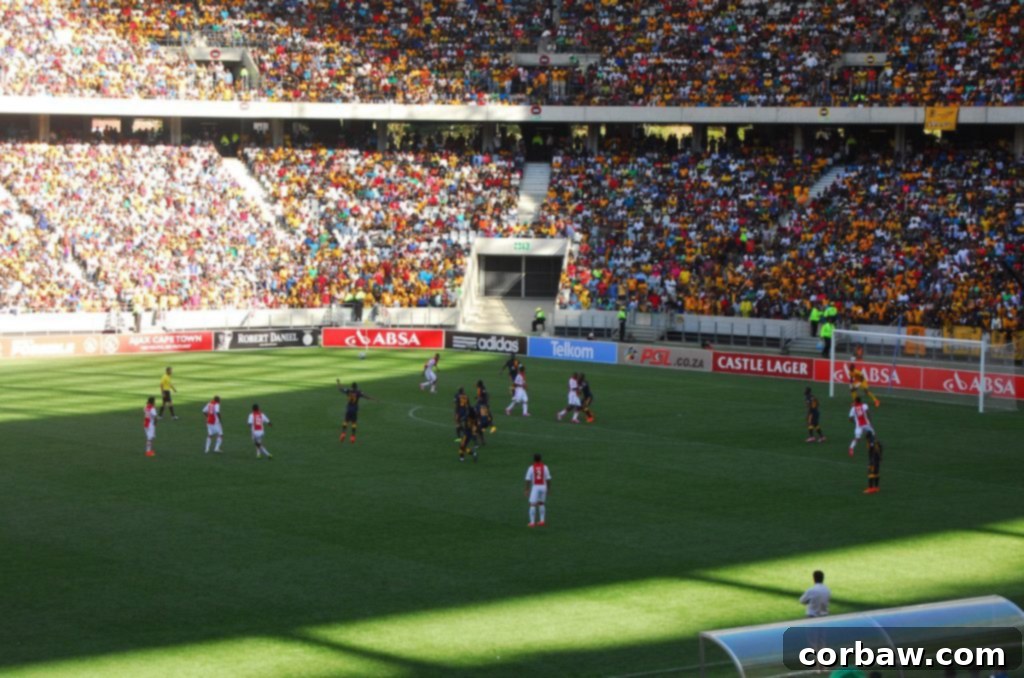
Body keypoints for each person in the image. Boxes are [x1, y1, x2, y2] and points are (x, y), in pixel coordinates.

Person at [337, 379, 374, 443]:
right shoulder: (358, 392)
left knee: (346, 421)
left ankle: (343, 433)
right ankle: (352, 437)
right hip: (354, 409)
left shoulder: (348, 391)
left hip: (349, 409)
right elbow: (365, 396)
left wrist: (338, 382)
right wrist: (372, 399)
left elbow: (341, 388)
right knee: (354, 423)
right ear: (356, 387)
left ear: (351, 386)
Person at [524, 453, 552, 528]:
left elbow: (528, 479)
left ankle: (532, 523)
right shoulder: (545, 467)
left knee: (532, 504)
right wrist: (549, 489)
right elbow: (548, 479)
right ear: (540, 459)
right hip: (544, 486)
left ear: (534, 459)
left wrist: (527, 489)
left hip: (536, 487)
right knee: (541, 503)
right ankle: (542, 521)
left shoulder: (531, 468)